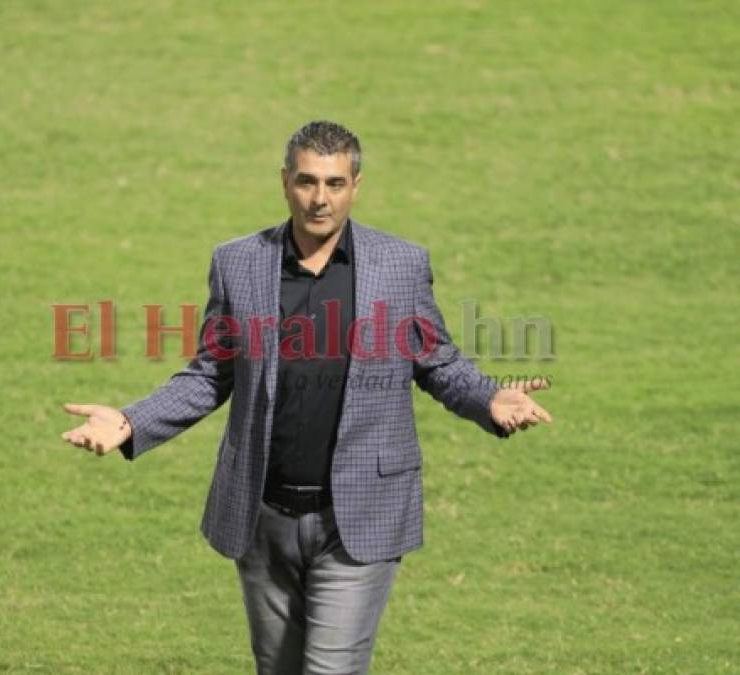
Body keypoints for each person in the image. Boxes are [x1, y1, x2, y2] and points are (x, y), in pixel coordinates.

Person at [60, 120, 553, 674]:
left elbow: (437, 361)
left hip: (359, 515)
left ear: (356, 186)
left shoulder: (400, 265)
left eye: (335, 184)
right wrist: (131, 421)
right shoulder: (238, 263)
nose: (321, 199)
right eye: (307, 182)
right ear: (284, 182)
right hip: (263, 513)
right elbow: (210, 374)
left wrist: (488, 399)